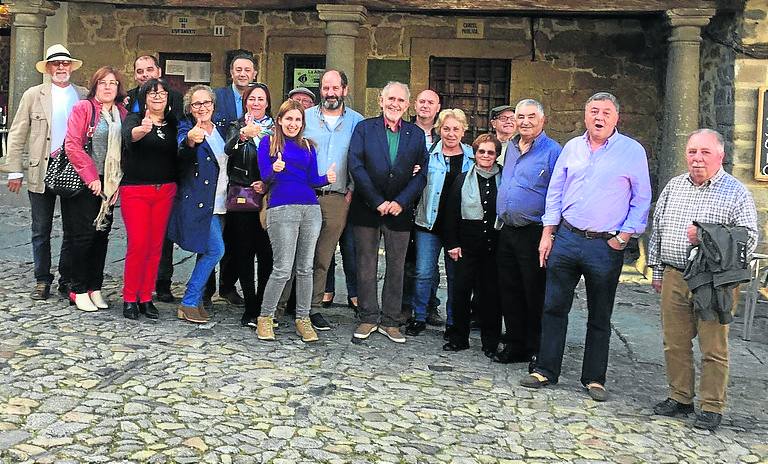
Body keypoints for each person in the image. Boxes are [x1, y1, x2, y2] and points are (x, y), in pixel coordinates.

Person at [520, 92, 652, 402]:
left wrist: (623, 237)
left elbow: (641, 198)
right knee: (553, 307)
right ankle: (546, 369)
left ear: (616, 117)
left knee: (599, 313)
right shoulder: (572, 148)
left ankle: (594, 378)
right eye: (594, 111)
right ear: (585, 115)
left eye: (606, 112)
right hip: (566, 238)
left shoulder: (631, 152)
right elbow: (555, 191)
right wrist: (547, 233)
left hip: (604, 245)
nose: (599, 117)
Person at [648, 129, 757, 431]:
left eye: (705, 152)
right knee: (675, 343)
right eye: (692, 152)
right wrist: (658, 271)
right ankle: (680, 397)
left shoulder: (735, 192)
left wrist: (706, 234)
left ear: (720, 155)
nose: (697, 159)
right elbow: (658, 227)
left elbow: (749, 237)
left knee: (713, 347)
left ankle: (711, 406)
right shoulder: (674, 186)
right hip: (675, 274)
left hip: (715, 281)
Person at [4, 44, 87, 300]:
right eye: (56, 64)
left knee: (72, 229)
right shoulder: (33, 94)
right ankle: (42, 279)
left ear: (71, 66)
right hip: (42, 166)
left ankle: (66, 276)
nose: (61, 67)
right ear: (48, 68)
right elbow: (18, 133)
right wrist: (14, 170)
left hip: (73, 168)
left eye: (65, 63)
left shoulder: (83, 94)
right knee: (41, 228)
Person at [348, 81, 428, 343]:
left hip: (399, 211)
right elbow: (356, 165)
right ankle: (368, 317)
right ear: (381, 100)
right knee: (366, 263)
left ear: (407, 105)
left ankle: (391, 320)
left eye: (401, 101)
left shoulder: (415, 135)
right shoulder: (364, 128)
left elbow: (421, 174)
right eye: (390, 99)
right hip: (367, 208)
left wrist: (401, 202)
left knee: (396, 266)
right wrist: (376, 200)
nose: (395, 104)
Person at [254, 99, 336, 343]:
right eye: (288, 118)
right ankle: (265, 317)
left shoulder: (308, 146)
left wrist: (326, 178)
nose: (293, 123)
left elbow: (312, 179)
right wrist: (275, 169)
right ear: (279, 120)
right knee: (282, 268)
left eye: (297, 119)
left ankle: (303, 318)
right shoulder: (268, 143)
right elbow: (264, 176)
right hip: (282, 208)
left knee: (305, 268)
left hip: (310, 209)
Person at [494, 99, 561, 365]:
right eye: (520, 116)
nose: (525, 122)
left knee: (534, 292)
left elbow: (558, 194)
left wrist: (551, 233)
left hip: (534, 232)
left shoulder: (553, 151)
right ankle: (515, 344)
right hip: (507, 230)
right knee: (509, 291)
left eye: (531, 117)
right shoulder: (510, 147)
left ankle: (536, 349)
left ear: (542, 120)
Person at [62, 66, 128, 312]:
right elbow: (73, 146)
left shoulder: (121, 113)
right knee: (82, 237)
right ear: (95, 86)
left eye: (113, 83)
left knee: (101, 236)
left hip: (110, 182)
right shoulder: (84, 108)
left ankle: (94, 287)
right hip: (84, 182)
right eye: (103, 82)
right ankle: (77, 288)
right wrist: (92, 177)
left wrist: (115, 182)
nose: (108, 86)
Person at [304, 69, 364, 331]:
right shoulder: (304, 118)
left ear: (345, 90)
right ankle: (293, 304)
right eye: (326, 88)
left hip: (337, 198)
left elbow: (361, 158)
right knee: (299, 254)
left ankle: (313, 308)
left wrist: (351, 188)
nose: (330, 93)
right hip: (304, 195)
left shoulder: (357, 122)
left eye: (335, 88)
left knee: (322, 256)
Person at [406, 108, 474, 337]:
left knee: (456, 276)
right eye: (446, 129)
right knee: (424, 272)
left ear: (463, 131)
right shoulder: (427, 154)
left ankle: (454, 322)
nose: (451, 133)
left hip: (458, 228)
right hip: (429, 223)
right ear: (439, 130)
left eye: (456, 129)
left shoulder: (473, 158)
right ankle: (419, 316)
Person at [124, 55, 184, 303]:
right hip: (136, 190)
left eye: (162, 93)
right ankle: (130, 297)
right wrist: (142, 130)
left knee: (156, 247)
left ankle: (146, 297)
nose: (157, 97)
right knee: (138, 245)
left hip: (166, 190)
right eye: (152, 94)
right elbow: (130, 137)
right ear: (144, 97)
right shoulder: (134, 118)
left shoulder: (173, 123)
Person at [167, 85, 228, 324]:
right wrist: (191, 140)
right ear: (189, 109)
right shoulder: (186, 128)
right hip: (199, 201)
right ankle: (189, 301)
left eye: (206, 103)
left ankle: (199, 300)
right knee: (216, 250)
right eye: (196, 104)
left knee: (207, 251)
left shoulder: (221, 128)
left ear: (213, 105)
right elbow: (183, 146)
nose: (202, 108)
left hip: (222, 200)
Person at [442, 134, 503, 354]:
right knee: (460, 292)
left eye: (490, 152)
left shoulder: (504, 177)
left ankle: (490, 342)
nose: (486, 156)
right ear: (475, 153)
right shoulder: (462, 179)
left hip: (494, 247)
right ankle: (459, 338)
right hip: (466, 246)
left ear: (496, 155)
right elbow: (450, 213)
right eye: (481, 151)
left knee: (491, 296)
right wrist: (452, 243)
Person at [206, 53, 258, 307]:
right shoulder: (219, 97)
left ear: (255, 73)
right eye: (238, 69)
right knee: (210, 236)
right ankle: (205, 289)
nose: (242, 73)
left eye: (247, 69)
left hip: (242, 181)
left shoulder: (259, 98)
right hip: (216, 176)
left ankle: (227, 286)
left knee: (236, 238)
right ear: (231, 73)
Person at [223, 83, 274, 328]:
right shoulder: (235, 126)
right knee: (243, 253)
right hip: (241, 196)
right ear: (245, 102)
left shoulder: (276, 129)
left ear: (267, 103)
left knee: (266, 254)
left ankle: (264, 303)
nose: (256, 103)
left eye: (260, 99)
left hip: (267, 199)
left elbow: (283, 161)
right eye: (251, 98)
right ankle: (250, 305)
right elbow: (228, 151)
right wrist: (244, 134)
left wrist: (267, 183)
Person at [402, 89, 443, 326]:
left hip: (432, 203)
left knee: (430, 261)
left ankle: (430, 305)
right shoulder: (405, 131)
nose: (426, 106)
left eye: (431, 102)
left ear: (438, 107)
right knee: (407, 258)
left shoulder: (442, 135)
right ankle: (406, 304)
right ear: (414, 106)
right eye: (422, 102)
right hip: (407, 202)